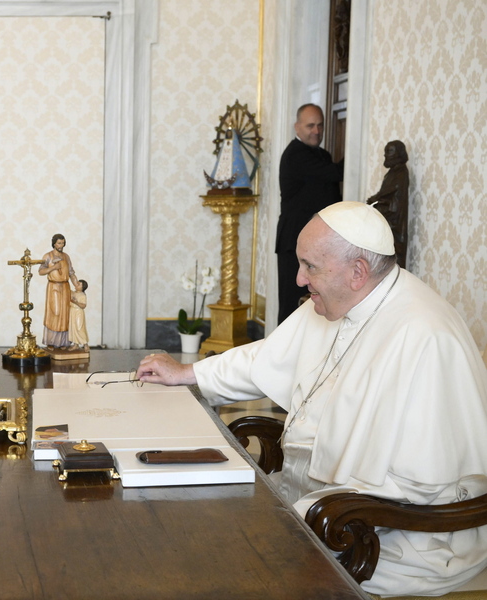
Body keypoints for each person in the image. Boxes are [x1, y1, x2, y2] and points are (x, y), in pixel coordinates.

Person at [137, 201, 487, 597]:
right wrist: (188, 373)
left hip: (395, 538)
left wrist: (305, 513)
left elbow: (419, 487)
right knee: (196, 519)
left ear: (357, 272)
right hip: (312, 502)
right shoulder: (341, 299)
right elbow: (266, 358)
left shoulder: (425, 336)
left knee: (227, 559)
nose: (299, 279)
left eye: (310, 267)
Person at [276, 104, 343, 323]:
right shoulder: (295, 154)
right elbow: (334, 173)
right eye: (310, 125)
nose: (316, 131)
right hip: (294, 242)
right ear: (297, 127)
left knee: (316, 307)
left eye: (320, 125)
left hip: (318, 243)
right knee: (291, 307)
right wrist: (356, 150)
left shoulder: (322, 155)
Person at [367, 140, 409, 268]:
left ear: (399, 153)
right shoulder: (392, 172)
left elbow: (392, 191)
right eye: (386, 151)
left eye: (389, 151)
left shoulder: (401, 172)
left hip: (394, 219)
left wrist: (377, 199)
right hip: (388, 217)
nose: (386, 155)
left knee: (394, 255)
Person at [38, 233, 78, 348]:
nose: (61, 245)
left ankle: (63, 342)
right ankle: (51, 341)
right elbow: (41, 271)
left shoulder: (66, 256)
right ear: (54, 244)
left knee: (64, 314)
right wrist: (53, 268)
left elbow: (71, 272)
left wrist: (76, 284)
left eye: (63, 243)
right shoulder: (48, 256)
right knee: (55, 312)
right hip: (54, 287)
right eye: (59, 243)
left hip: (65, 287)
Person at [68, 279, 88, 351]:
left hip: (78, 312)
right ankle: (75, 344)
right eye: (77, 283)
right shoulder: (73, 293)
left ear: (82, 287)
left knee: (79, 328)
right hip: (72, 311)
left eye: (79, 284)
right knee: (73, 328)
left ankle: (85, 344)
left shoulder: (82, 295)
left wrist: (76, 302)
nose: (76, 284)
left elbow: (83, 305)